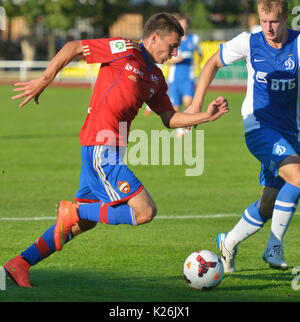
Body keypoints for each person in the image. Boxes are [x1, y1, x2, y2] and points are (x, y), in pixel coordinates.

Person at [4, 12, 228, 287]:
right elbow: (74, 47)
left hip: (109, 149)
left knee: (83, 223)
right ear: (154, 37)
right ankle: (73, 211)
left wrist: (205, 116)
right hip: (100, 147)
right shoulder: (125, 50)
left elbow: (169, 117)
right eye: (171, 46)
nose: (175, 52)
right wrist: (46, 78)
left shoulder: (156, 77)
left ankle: (20, 263)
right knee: (144, 211)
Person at [185, 0, 300, 272]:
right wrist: (196, 104)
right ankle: (274, 246)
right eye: (263, 21)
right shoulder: (249, 43)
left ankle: (228, 241)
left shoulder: (298, 44)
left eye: (274, 21)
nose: (268, 28)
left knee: (268, 205)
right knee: (298, 177)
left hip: (289, 133)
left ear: (285, 18)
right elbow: (213, 62)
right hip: (258, 128)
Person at [167, 14, 202, 137]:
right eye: (181, 24)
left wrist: (197, 63)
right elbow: (166, 60)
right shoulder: (172, 40)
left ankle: (185, 124)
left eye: (185, 25)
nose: (184, 27)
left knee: (189, 103)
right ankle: (180, 129)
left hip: (188, 78)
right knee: (175, 106)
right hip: (175, 79)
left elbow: (200, 53)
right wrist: (175, 60)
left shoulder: (194, 39)